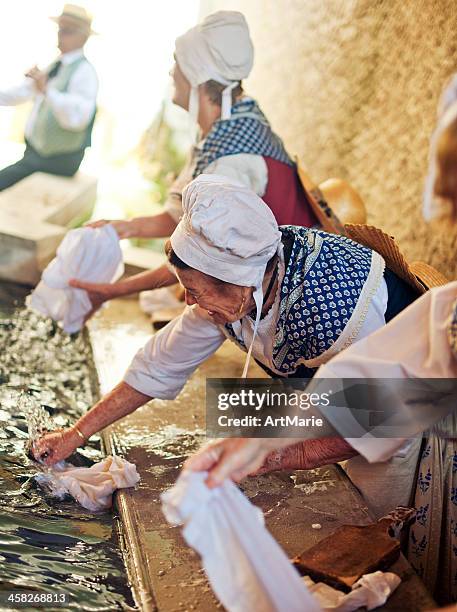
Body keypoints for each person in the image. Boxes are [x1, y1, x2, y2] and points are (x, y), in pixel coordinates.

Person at [185, 102, 457, 605]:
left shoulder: (337, 304)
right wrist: (258, 445)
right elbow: (368, 385)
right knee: (227, 409)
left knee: (377, 518)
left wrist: (275, 452)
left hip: (407, 430)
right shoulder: (444, 308)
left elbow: (378, 416)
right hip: (360, 400)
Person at [32, 174, 420, 516]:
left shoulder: (333, 310)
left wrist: (284, 456)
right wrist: (75, 435)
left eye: (194, 292)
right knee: (232, 416)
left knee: (368, 520)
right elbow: (158, 364)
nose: (187, 302)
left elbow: (383, 419)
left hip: (413, 401)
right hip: (335, 387)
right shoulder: (240, 278)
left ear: (236, 283)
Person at [69, 10, 343, 319]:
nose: (171, 72)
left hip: (287, 300)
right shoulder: (228, 125)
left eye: (178, 64)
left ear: (197, 77)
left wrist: (112, 291)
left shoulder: (233, 162)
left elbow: (196, 262)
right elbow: (180, 218)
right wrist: (122, 228)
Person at [0, 4, 98, 191]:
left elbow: (77, 119)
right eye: (60, 29)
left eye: (67, 30)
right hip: (35, 153)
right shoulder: (54, 65)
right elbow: (19, 94)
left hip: (58, 159)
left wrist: (47, 91)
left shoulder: (85, 72)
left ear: (83, 37)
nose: (60, 35)